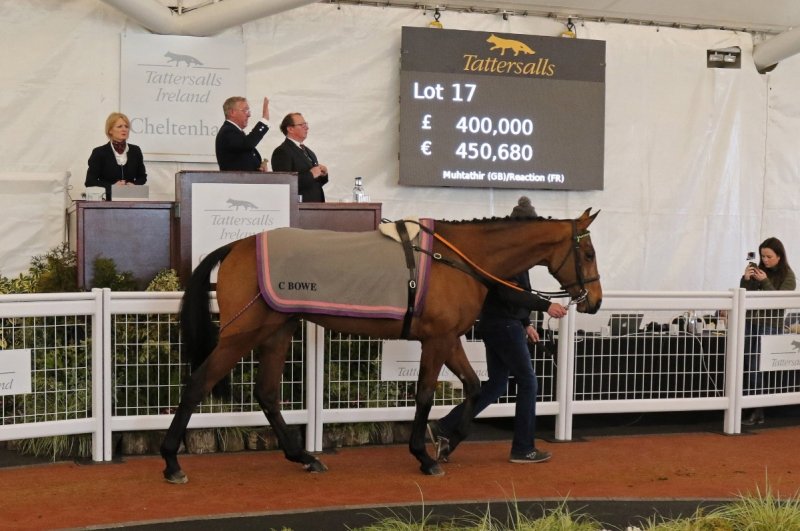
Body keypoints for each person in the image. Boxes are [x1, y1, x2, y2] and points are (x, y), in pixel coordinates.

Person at [428, 196, 568, 464]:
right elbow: (509, 292)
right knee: (527, 382)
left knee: (496, 385)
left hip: (498, 323)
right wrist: (546, 306)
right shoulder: (510, 254)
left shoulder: (510, 250)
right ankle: (523, 448)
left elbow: (512, 292)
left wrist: (526, 323)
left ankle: (445, 426)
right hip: (504, 324)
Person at [739, 236, 796, 426]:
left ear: (779, 256)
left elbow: (779, 301)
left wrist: (764, 281)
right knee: (747, 365)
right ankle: (749, 407)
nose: (765, 260)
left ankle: (758, 409)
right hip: (750, 323)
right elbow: (744, 296)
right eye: (762, 256)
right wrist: (746, 279)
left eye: (769, 256)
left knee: (757, 366)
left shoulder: (788, 276)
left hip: (770, 326)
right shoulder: (758, 271)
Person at [85, 112, 147, 200]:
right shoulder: (99, 152)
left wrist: (134, 185)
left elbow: (142, 177)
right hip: (107, 201)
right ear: (110, 130)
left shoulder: (135, 150)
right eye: (119, 126)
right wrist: (112, 186)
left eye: (126, 126)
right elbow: (90, 181)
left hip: (131, 200)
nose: (124, 129)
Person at [271, 113, 328, 202]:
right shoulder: (282, 151)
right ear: (290, 129)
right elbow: (284, 183)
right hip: (299, 207)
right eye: (302, 125)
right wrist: (311, 174)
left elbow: (314, 183)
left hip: (316, 205)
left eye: (306, 124)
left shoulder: (309, 152)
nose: (307, 128)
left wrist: (323, 174)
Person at [215, 96, 270, 171]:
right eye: (245, 110)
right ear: (232, 112)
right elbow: (248, 144)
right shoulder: (227, 131)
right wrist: (264, 121)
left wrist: (258, 169)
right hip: (235, 178)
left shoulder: (235, 131)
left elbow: (243, 158)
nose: (249, 115)